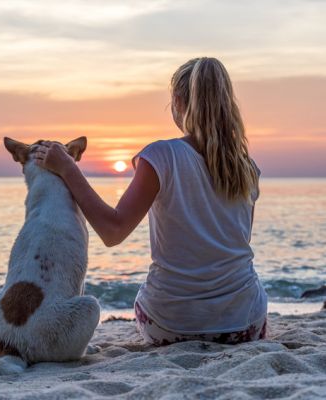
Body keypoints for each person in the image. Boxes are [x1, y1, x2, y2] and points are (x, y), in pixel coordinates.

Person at [34, 57, 268, 346]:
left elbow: (113, 231)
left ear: (179, 102)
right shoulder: (247, 168)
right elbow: (233, 245)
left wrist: (68, 168)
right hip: (246, 323)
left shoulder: (161, 156)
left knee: (149, 301)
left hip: (172, 324)